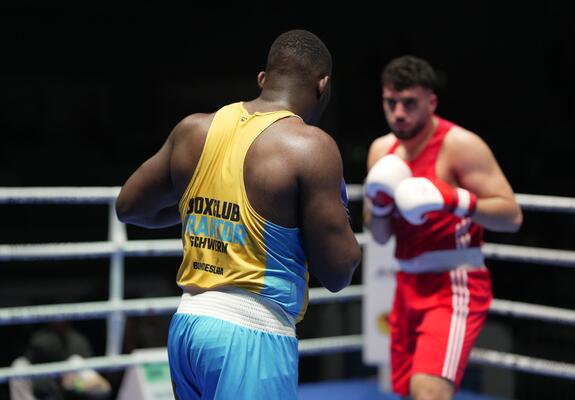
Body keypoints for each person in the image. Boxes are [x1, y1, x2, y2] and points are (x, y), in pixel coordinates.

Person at [115, 29, 361, 400]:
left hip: (189, 326)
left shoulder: (194, 128)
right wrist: (338, 215)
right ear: (322, 84)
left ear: (263, 79)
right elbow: (338, 273)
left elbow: (130, 207)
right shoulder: (309, 146)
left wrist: (204, 206)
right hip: (252, 334)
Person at [364, 55, 523, 400]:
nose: (399, 113)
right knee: (407, 391)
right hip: (405, 282)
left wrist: (453, 199)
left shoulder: (460, 145)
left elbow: (511, 216)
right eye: (391, 102)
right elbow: (379, 236)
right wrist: (379, 205)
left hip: (454, 283)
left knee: (429, 390)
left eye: (409, 103)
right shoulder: (381, 151)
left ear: (431, 102)